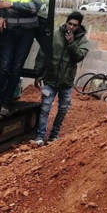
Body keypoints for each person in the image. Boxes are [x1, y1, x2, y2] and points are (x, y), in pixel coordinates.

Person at [0, 0, 47, 117]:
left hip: (27, 32)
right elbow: (1, 4)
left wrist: (12, 5)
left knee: (16, 67)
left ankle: (7, 103)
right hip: (10, 30)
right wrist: (1, 17)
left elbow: (33, 7)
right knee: (5, 66)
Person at [32, 11, 89, 145]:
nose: (71, 27)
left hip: (66, 82)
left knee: (63, 110)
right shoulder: (55, 34)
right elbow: (42, 54)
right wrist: (38, 74)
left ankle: (53, 136)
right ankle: (40, 137)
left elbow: (79, 56)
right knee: (45, 108)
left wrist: (71, 43)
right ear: (66, 22)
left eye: (75, 25)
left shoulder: (82, 40)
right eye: (69, 23)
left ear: (79, 26)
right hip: (50, 79)